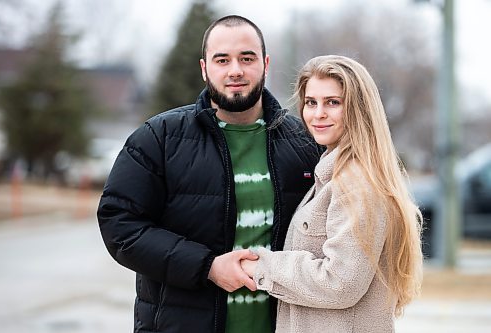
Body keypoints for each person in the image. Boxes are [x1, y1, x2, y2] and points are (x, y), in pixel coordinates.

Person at [96, 15, 322, 333]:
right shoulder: (159, 137)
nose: (235, 70)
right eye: (222, 59)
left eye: (247, 58)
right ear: (204, 68)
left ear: (265, 63)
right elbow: (119, 225)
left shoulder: (304, 143)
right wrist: (208, 267)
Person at [240, 55, 424, 333]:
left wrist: (261, 265)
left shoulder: (357, 183)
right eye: (311, 102)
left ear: (359, 110)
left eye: (333, 102)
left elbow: (341, 283)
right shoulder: (332, 176)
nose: (318, 114)